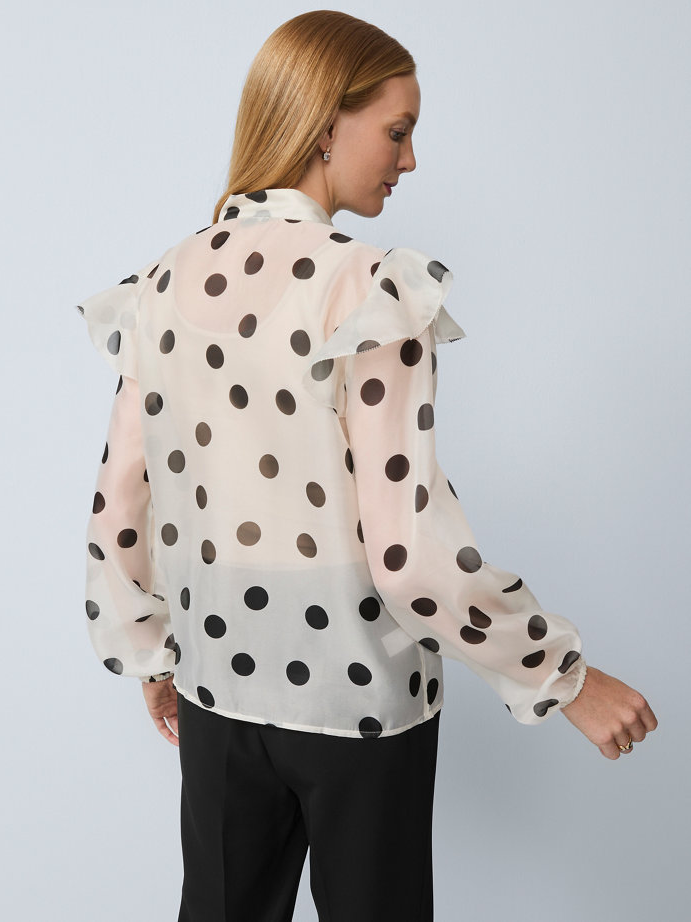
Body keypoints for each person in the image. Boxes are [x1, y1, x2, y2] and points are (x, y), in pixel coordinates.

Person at [75, 10, 657, 922]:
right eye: (398, 130)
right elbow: (408, 554)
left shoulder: (165, 282)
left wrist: (149, 651)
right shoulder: (372, 289)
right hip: (361, 707)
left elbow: (120, 503)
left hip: (217, 691)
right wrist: (566, 680)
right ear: (323, 124)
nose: (409, 160)